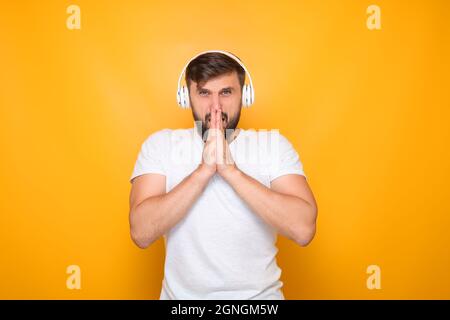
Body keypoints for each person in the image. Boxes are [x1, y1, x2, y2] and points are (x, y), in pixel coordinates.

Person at [129, 50, 318, 299]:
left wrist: (230, 170)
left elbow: (303, 229)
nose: (215, 106)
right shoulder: (161, 145)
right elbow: (141, 232)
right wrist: (203, 171)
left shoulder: (274, 144)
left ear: (245, 96)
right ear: (186, 97)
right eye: (204, 93)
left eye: (226, 92)